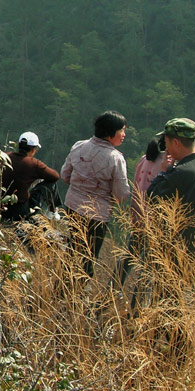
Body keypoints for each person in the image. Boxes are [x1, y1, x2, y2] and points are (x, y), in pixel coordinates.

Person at [60, 110, 131, 278]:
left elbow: (65, 175)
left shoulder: (79, 146)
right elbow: (121, 194)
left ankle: (61, 285)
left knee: (74, 247)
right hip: (97, 215)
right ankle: (75, 293)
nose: (124, 135)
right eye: (122, 130)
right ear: (110, 132)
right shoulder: (115, 158)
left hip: (72, 206)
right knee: (88, 256)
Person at [147, 117, 195, 254]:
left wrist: (163, 173)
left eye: (167, 143)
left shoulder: (181, 172)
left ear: (176, 142)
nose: (166, 150)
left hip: (178, 248)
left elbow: (153, 197)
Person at [116, 137, 166, 290]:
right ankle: (137, 307)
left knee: (127, 259)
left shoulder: (144, 159)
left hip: (137, 215)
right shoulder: (166, 163)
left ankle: (109, 294)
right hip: (155, 222)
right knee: (148, 267)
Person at [0, 131, 59, 221]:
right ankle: (52, 212)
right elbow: (55, 176)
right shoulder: (34, 164)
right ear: (34, 149)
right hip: (19, 212)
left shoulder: (6, 156)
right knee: (51, 184)